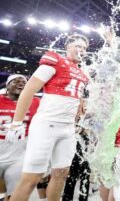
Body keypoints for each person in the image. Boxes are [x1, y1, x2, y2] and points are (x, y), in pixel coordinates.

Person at [7, 34, 89, 201]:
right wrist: (16, 123)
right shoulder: (56, 60)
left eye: (84, 48)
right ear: (68, 46)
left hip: (67, 129)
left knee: (61, 174)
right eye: (78, 46)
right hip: (47, 125)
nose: (81, 50)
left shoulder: (82, 73)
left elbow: (77, 99)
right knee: (31, 178)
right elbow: (29, 90)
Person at [0, 75, 40, 199]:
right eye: (16, 81)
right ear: (7, 86)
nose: (21, 83)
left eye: (24, 82)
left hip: (20, 152)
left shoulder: (35, 101)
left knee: (15, 192)